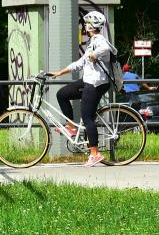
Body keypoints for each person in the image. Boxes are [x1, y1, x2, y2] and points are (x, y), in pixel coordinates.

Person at [47, 11, 116, 167]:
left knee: (87, 117)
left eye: (86, 23)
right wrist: (60, 72)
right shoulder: (92, 41)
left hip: (96, 83)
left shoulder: (99, 40)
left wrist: (95, 54)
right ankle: (70, 127)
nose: (85, 26)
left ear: (92, 26)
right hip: (87, 80)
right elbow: (80, 63)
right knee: (62, 94)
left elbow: (105, 48)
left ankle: (95, 154)